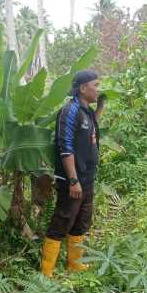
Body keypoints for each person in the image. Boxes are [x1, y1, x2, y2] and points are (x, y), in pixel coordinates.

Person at [40, 70, 106, 278]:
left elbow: (89, 129)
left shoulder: (86, 111)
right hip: (73, 180)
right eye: (95, 85)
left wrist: (101, 108)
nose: (98, 89)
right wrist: (73, 179)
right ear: (83, 88)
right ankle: (46, 272)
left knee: (81, 221)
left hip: (87, 177)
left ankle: (75, 264)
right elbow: (65, 146)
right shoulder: (70, 111)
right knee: (63, 219)